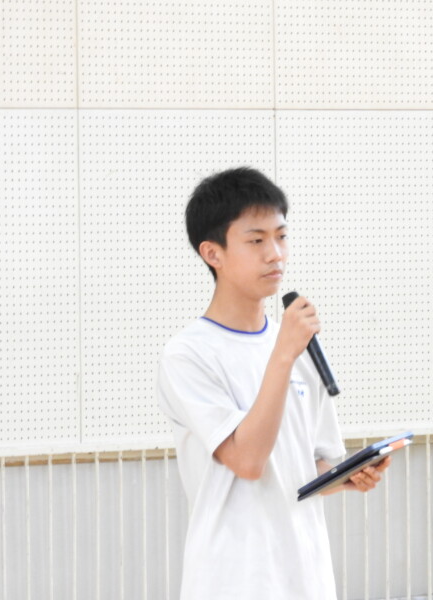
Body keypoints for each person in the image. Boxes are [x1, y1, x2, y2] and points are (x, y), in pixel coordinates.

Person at [156, 166, 391, 599]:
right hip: (233, 580)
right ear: (213, 253)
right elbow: (247, 462)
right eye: (256, 240)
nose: (276, 254)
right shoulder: (188, 355)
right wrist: (283, 355)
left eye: (282, 236)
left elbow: (311, 464)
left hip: (306, 576)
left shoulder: (296, 343)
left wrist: (347, 476)